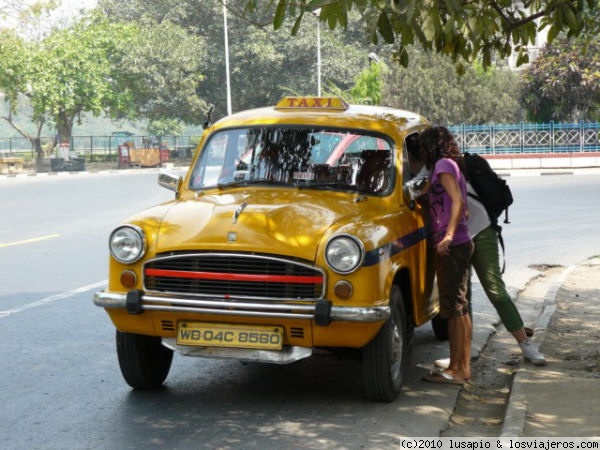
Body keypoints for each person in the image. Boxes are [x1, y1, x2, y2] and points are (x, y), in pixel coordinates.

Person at [435, 181, 546, 368]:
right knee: (462, 297)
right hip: (455, 237)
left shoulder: (443, 167)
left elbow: (460, 205)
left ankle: (526, 344)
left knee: (495, 290)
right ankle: (461, 356)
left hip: (479, 230)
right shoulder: (422, 172)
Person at [419, 126, 474, 385]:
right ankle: (462, 366)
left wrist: (448, 235)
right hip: (459, 243)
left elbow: (458, 202)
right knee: (459, 308)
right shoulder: (451, 165)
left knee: (452, 309)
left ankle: (456, 370)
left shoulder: (442, 165)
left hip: (452, 245)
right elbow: (461, 207)